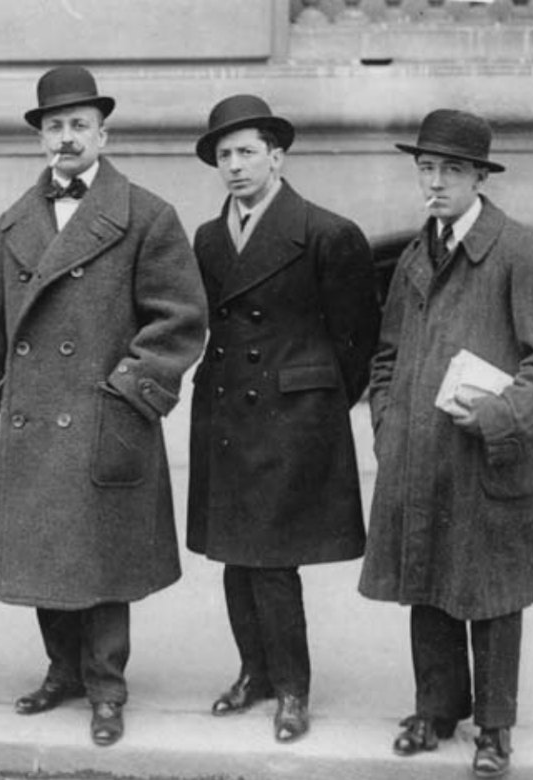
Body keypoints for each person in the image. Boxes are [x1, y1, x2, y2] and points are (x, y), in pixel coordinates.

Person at [0, 65, 207, 748]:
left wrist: (126, 392)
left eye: (78, 125)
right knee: (44, 558)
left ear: (103, 133)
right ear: (41, 137)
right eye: (54, 126)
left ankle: (106, 687)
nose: (65, 138)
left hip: (102, 416)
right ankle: (62, 672)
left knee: (100, 562)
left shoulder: (145, 215)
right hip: (34, 421)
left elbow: (180, 320)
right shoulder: (15, 222)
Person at [360, 108, 533, 779]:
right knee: (425, 585)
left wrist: (495, 421)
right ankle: (435, 712)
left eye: (451, 170)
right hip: (419, 458)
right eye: (426, 169)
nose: (435, 182)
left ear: (480, 176)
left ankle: (494, 729)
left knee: (490, 595)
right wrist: (389, 424)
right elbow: (387, 355)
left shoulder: (522, 251)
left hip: (490, 460)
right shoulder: (413, 258)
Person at [186, 94, 381, 743]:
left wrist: (314, 401)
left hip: (293, 419)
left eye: (246, 152)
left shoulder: (327, 233)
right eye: (224, 155)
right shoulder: (210, 238)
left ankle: (291, 688)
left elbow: (357, 341)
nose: (235, 166)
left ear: (277, 155)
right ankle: (254, 673)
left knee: (272, 560)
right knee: (234, 556)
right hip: (226, 412)